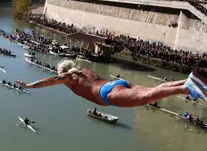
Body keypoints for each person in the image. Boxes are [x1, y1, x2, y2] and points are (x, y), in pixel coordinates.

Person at [15, 59, 207, 108]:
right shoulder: (83, 70)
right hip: (117, 83)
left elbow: (48, 81)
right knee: (152, 90)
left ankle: (186, 89)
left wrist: (29, 86)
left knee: (146, 98)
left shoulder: (69, 77)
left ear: (63, 72)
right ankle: (188, 80)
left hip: (107, 94)